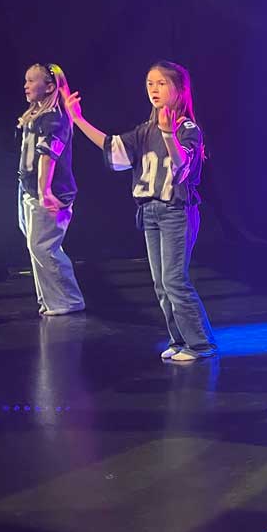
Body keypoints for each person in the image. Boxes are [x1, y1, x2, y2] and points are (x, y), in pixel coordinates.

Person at [66, 61, 217, 362]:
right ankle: (179, 340)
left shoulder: (187, 129)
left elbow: (182, 168)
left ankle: (201, 344)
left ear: (179, 89)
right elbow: (113, 148)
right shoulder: (145, 130)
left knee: (175, 280)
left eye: (161, 83)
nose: (154, 89)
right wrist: (77, 119)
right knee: (161, 284)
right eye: (150, 83)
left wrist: (168, 134)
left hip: (175, 210)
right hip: (150, 210)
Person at [17, 62, 85, 316]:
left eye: (31, 80)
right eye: (26, 80)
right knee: (37, 246)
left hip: (50, 192)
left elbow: (49, 156)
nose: (26, 85)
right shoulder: (37, 115)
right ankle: (50, 299)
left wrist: (45, 191)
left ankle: (68, 300)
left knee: (44, 247)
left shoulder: (54, 118)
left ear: (49, 87)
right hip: (29, 189)